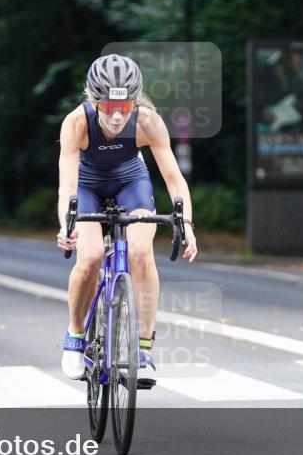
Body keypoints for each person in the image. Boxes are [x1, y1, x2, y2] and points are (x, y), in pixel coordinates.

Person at [56, 54, 198, 383]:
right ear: (94, 100)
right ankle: (75, 334)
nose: (118, 116)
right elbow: (67, 186)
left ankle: (143, 346)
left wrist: (187, 225)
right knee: (89, 256)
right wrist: (67, 224)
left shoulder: (148, 121)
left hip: (131, 182)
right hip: (87, 184)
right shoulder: (76, 123)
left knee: (140, 252)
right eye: (108, 108)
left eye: (126, 107)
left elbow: (175, 180)